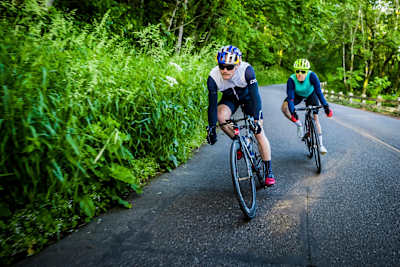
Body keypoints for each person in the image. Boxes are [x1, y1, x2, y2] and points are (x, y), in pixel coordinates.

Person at [206, 45, 275, 187]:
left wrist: (257, 119)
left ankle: (269, 170)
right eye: (222, 66)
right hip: (230, 99)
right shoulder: (213, 77)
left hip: (248, 98)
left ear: (237, 65)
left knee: (259, 132)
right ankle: (241, 142)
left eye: (229, 67)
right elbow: (212, 106)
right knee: (220, 116)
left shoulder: (247, 70)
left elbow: (256, 97)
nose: (225, 70)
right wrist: (212, 127)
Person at [281, 58, 333, 154]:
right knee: (284, 107)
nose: (300, 73)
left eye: (303, 71)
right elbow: (291, 98)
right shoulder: (291, 80)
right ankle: (299, 124)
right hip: (297, 95)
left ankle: (321, 145)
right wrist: (293, 113)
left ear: (307, 71)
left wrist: (326, 107)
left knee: (315, 118)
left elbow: (319, 93)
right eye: (297, 71)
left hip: (311, 94)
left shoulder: (312, 76)